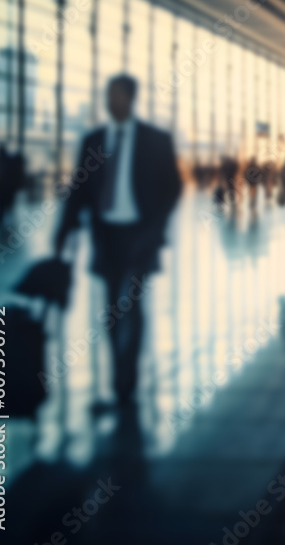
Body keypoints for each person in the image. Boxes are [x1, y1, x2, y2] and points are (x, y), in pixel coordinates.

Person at [54, 74, 182, 410]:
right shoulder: (94, 141)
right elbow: (79, 190)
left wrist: (156, 226)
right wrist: (63, 229)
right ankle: (118, 378)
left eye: (116, 95)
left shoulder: (155, 140)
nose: (110, 101)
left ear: (131, 97)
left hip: (140, 235)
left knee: (133, 305)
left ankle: (127, 381)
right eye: (107, 95)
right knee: (111, 309)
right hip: (107, 235)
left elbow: (173, 186)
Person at [0, 143, 24, 226]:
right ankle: (3, 220)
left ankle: (0, 220)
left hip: (1, 188)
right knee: (6, 205)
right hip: (6, 188)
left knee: (1, 204)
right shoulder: (8, 161)